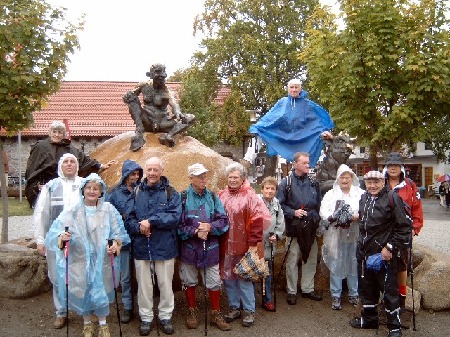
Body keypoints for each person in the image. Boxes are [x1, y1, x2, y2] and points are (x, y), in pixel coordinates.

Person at [44, 173, 130, 337]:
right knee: (83, 289)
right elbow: (57, 232)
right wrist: (63, 237)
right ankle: (87, 323)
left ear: (101, 191)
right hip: (79, 259)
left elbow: (118, 233)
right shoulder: (73, 210)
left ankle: (103, 324)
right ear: (83, 190)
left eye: (95, 188)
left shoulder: (108, 210)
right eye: (89, 188)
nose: (92, 191)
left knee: (101, 289)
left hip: (102, 260)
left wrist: (115, 245)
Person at [125, 157, 182, 336]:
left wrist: (151, 222)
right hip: (142, 246)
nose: (152, 173)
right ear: (145, 171)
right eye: (149, 169)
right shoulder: (136, 191)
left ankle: (165, 316)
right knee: (144, 286)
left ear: (161, 171)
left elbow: (174, 217)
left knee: (166, 284)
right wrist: (140, 228)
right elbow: (129, 218)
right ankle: (146, 317)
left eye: (155, 170)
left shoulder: (171, 192)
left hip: (165, 247)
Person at [350, 170, 410, 337]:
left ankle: (394, 326)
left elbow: (404, 228)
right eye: (369, 182)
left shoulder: (392, 198)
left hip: (383, 255)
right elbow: (364, 221)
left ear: (383, 181)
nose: (372, 185)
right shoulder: (364, 198)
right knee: (367, 288)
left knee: (389, 291)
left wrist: (389, 247)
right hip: (363, 252)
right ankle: (370, 319)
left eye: (376, 182)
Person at [178, 163, 231, 331]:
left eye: (205, 176)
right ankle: (192, 311)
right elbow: (178, 226)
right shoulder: (183, 198)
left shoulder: (213, 197)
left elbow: (224, 221)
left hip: (210, 248)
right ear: (191, 178)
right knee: (189, 281)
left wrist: (209, 227)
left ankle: (216, 313)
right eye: (200, 176)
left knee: (214, 282)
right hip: (189, 249)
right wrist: (194, 231)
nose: (203, 179)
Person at [32, 153, 82, 329]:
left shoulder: (84, 185)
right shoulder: (51, 187)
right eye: (66, 162)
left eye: (72, 162)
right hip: (55, 240)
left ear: (77, 166)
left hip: (79, 241)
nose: (69, 164)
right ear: (61, 166)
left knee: (81, 275)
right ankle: (61, 312)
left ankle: (83, 310)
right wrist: (40, 240)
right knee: (58, 276)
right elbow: (41, 214)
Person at [218, 162, 271, 327]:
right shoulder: (222, 195)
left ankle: (249, 310)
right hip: (226, 245)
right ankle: (234, 307)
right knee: (228, 277)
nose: (233, 180)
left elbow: (257, 219)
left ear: (243, 179)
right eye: (230, 177)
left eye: (236, 177)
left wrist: (254, 243)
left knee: (244, 277)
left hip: (245, 245)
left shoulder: (250, 196)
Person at [244, 79, 334, 167]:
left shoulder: (308, 105)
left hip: (302, 137)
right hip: (282, 135)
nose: (294, 90)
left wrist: (324, 131)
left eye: (296, 87)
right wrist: (258, 126)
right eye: (291, 87)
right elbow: (270, 116)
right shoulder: (282, 102)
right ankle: (247, 161)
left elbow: (318, 119)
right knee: (258, 134)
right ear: (288, 89)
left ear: (300, 89)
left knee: (318, 144)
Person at [24, 120, 115, 207]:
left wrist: (101, 165)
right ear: (50, 132)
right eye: (54, 131)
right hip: (45, 186)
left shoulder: (68, 148)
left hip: (63, 187)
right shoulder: (41, 147)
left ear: (63, 134)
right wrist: (36, 185)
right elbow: (33, 168)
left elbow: (84, 160)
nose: (57, 135)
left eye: (60, 132)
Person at [276, 151, 323, 305]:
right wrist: (293, 212)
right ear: (295, 164)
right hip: (294, 228)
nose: (307, 165)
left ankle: (307, 289)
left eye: (308, 163)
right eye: (304, 163)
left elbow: (318, 204)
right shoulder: (286, 183)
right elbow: (279, 205)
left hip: (310, 228)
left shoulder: (314, 182)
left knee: (310, 259)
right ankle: (292, 291)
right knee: (292, 260)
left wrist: (314, 215)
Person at [383, 152, 424, 327]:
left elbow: (417, 207)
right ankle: (385, 301)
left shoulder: (410, 186)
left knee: (401, 266)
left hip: (403, 232)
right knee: (383, 264)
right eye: (390, 164)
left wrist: (416, 227)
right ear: (386, 167)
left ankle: (400, 302)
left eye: (396, 165)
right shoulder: (380, 183)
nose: (393, 167)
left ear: (401, 167)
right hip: (383, 232)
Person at [319, 164, 364, 310]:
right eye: (342, 177)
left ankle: (353, 293)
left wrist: (357, 216)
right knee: (336, 263)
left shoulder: (361, 193)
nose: (344, 180)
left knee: (353, 262)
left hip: (355, 233)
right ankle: (336, 294)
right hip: (336, 234)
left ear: (352, 178)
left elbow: (366, 208)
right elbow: (323, 211)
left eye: (347, 177)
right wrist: (333, 217)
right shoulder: (331, 194)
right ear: (338, 179)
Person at [123, 64, 195, 150]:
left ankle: (169, 136)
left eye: (164, 72)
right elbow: (129, 98)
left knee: (191, 117)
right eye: (158, 72)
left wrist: (177, 111)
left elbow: (174, 103)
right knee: (131, 97)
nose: (162, 75)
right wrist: (127, 96)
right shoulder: (143, 86)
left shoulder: (167, 91)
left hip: (163, 123)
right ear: (150, 75)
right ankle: (139, 132)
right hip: (147, 121)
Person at [106, 160, 143, 324]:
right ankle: (128, 307)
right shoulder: (115, 193)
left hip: (140, 238)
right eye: (132, 174)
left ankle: (144, 308)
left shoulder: (143, 190)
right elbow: (107, 214)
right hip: (123, 239)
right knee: (126, 277)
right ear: (125, 174)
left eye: (137, 174)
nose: (135, 177)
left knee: (144, 277)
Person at [258, 176, 285, 311]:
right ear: (262, 190)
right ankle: (249, 301)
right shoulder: (256, 202)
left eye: (272, 188)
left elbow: (280, 222)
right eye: (267, 188)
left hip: (269, 244)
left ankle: (267, 299)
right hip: (255, 244)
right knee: (252, 272)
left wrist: (277, 234)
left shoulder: (276, 204)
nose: (269, 191)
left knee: (267, 274)